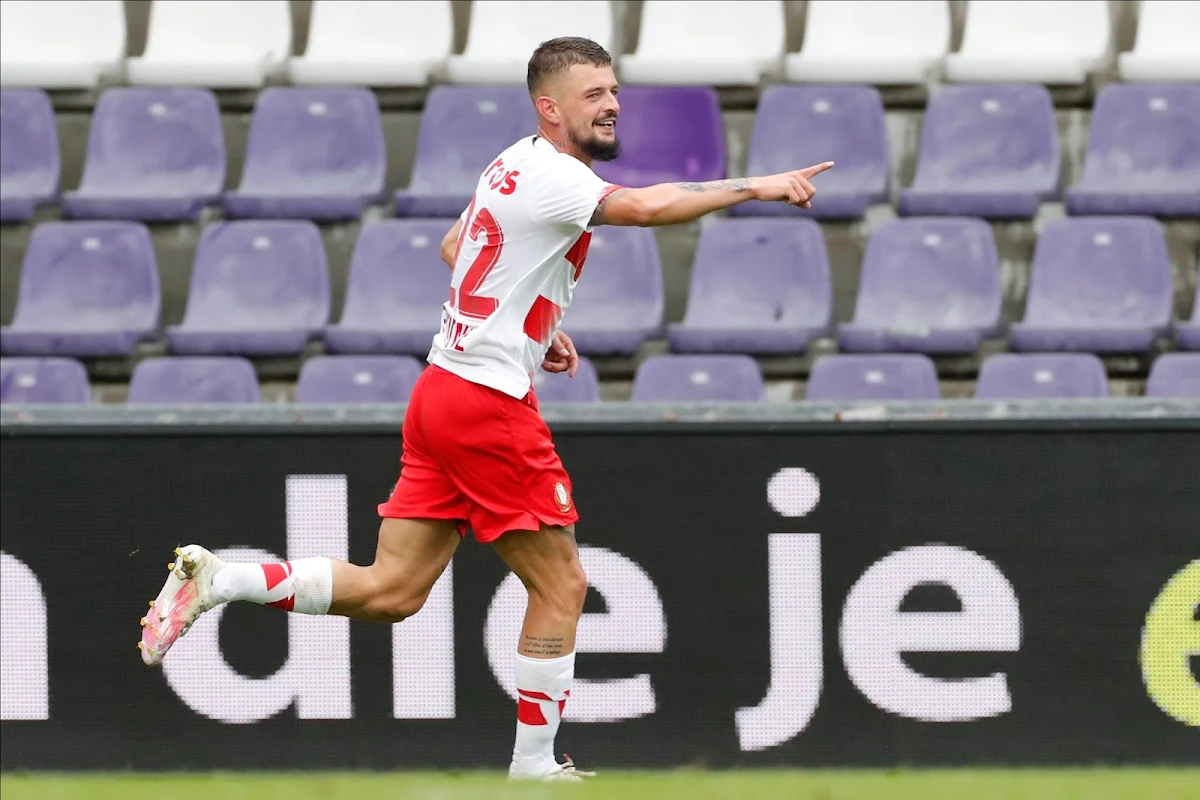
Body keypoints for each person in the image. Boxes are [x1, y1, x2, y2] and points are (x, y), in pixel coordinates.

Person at [137, 36, 833, 782]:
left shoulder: (512, 160)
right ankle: (534, 767)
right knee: (562, 585)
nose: (610, 104)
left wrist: (536, 320)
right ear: (550, 106)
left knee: (393, 592)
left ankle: (220, 581)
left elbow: (453, 246)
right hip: (487, 404)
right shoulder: (560, 178)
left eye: (612, 90)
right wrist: (758, 186)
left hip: (441, 389)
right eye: (592, 94)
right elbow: (645, 205)